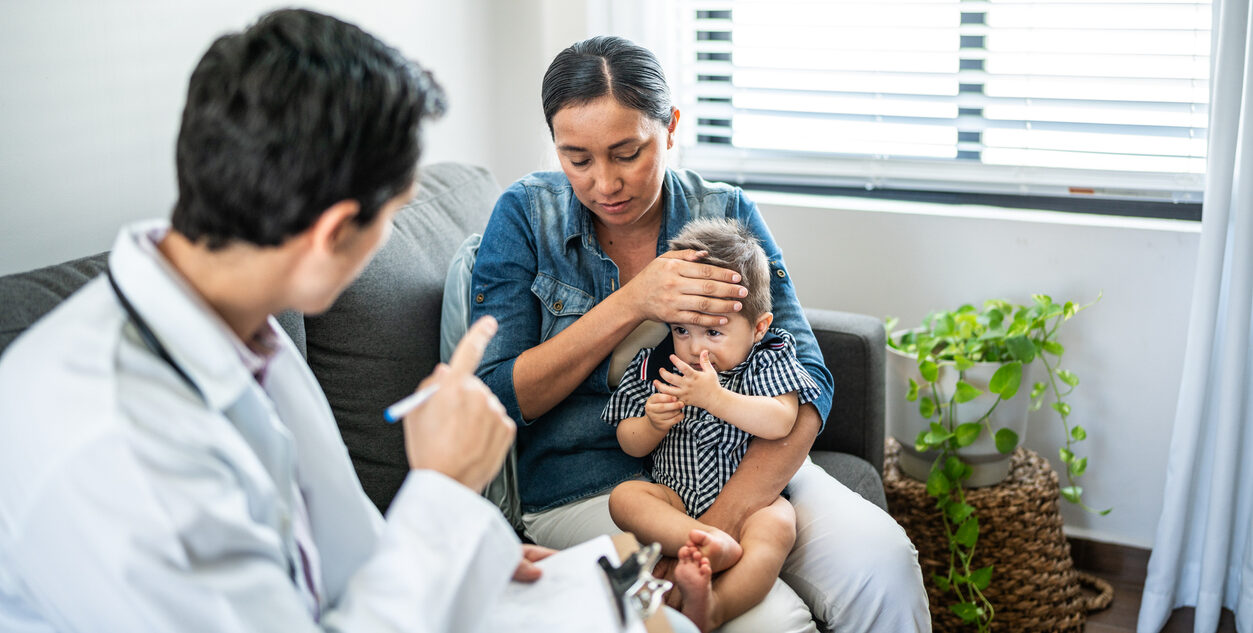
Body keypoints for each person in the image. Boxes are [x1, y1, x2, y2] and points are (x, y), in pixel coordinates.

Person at [0, 10, 543, 632]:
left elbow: (341, 563)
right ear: (334, 233)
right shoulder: (117, 443)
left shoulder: (244, 332)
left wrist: (464, 559)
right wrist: (446, 493)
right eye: (391, 214)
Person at [471, 35, 932, 632]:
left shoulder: (724, 211)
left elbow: (809, 379)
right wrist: (635, 302)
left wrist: (723, 518)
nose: (605, 183)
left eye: (627, 152)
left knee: (882, 560)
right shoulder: (526, 217)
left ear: (670, 128)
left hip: (735, 456)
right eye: (577, 158)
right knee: (771, 620)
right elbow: (496, 397)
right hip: (586, 483)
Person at [603, 217, 822, 632]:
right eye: (682, 329)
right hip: (676, 498)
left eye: (714, 332)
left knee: (778, 524)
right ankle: (707, 544)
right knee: (626, 497)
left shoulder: (767, 358)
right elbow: (629, 442)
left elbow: (781, 421)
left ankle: (715, 606)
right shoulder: (658, 365)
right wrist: (652, 423)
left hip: (751, 501)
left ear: (758, 327)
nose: (694, 346)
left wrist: (716, 398)